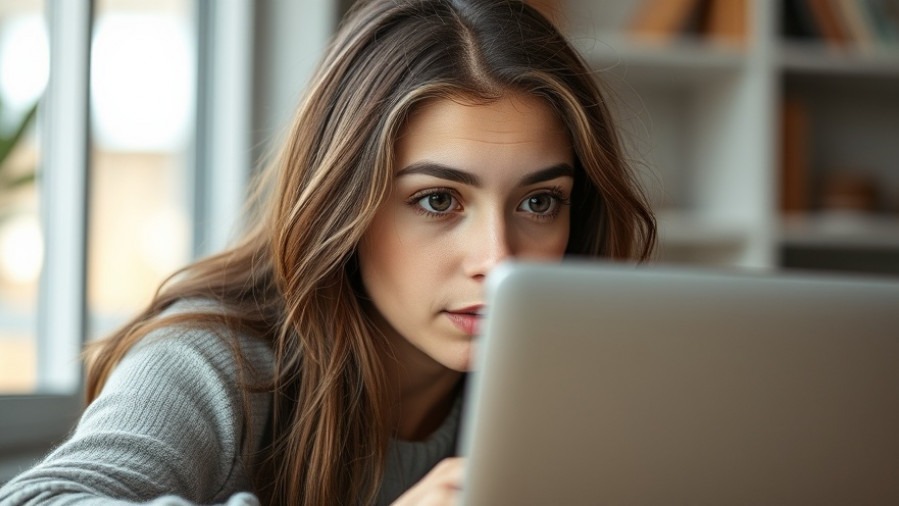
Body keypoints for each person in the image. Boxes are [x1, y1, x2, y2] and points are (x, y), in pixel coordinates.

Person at [0, 0, 655, 504]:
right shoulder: (218, 359)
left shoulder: (575, 378)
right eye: (437, 201)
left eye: (538, 203)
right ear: (348, 205)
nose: (499, 258)